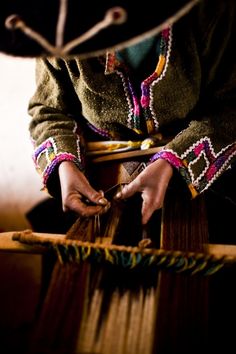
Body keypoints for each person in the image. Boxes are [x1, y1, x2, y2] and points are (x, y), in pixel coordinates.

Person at [27, 0, 236, 240]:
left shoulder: (212, 10)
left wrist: (173, 163)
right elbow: (48, 109)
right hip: (97, 182)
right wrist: (65, 166)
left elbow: (230, 105)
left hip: (202, 178)